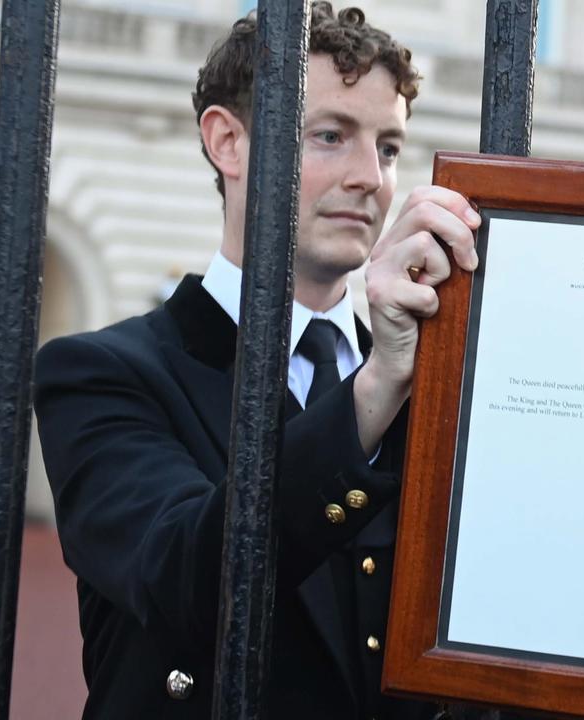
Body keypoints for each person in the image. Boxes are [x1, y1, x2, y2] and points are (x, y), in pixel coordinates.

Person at [33, 4, 478, 718]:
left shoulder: (428, 382)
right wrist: (373, 393)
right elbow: (184, 577)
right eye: (331, 135)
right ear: (228, 141)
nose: (371, 177)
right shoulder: (100, 373)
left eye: (390, 147)